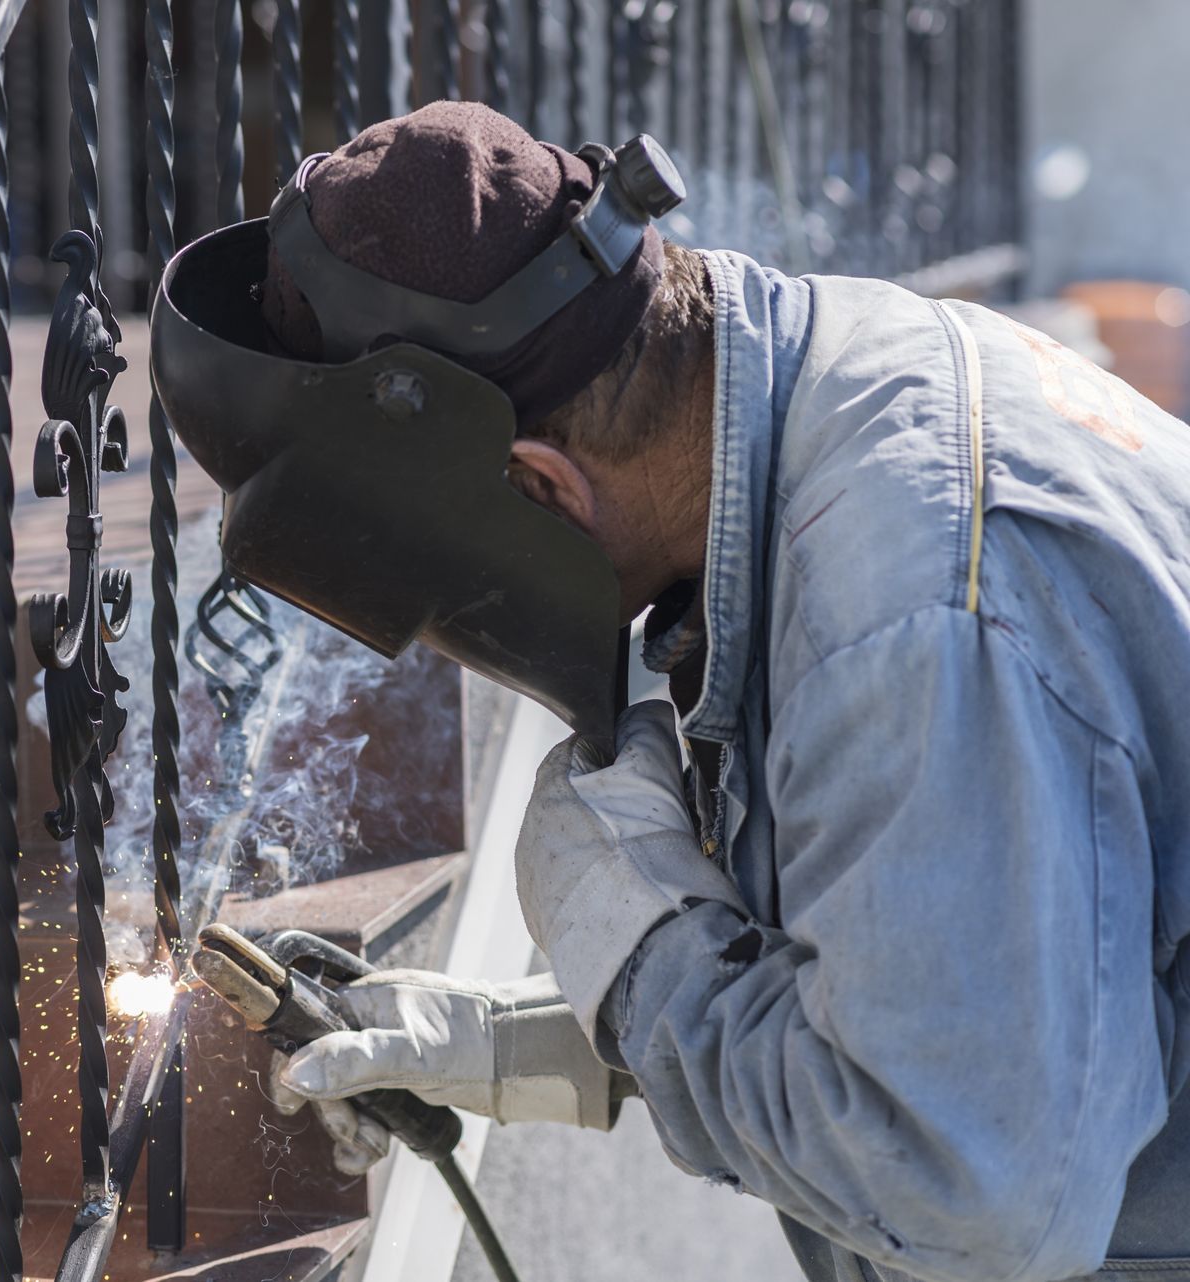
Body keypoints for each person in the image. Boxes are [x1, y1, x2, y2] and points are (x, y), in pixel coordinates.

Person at [148, 101, 1190, 1282]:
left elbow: (969, 1195)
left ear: (538, 486)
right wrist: (524, 1038)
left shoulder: (904, 624)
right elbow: (964, 978)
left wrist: (642, 960)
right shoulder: (839, 384)